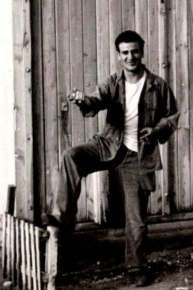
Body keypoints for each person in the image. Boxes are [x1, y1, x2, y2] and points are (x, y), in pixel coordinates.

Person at [47, 30, 180, 287]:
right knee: (72, 156)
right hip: (109, 144)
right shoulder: (113, 82)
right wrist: (82, 100)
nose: (130, 57)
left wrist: (156, 130)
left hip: (138, 156)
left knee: (137, 218)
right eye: (125, 53)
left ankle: (136, 267)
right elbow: (97, 101)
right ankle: (60, 218)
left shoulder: (157, 85)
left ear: (142, 52)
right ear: (119, 56)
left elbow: (172, 116)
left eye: (134, 51)